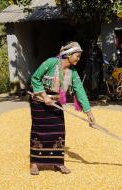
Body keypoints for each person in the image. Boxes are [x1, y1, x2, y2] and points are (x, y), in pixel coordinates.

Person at [29, 41, 95, 175]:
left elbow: (80, 91)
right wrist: (44, 96)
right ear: (68, 54)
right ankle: (35, 163)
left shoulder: (73, 73)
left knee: (59, 131)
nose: (78, 59)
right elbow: (35, 78)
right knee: (39, 132)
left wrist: (89, 113)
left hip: (55, 103)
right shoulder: (51, 62)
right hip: (39, 102)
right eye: (77, 55)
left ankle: (58, 162)